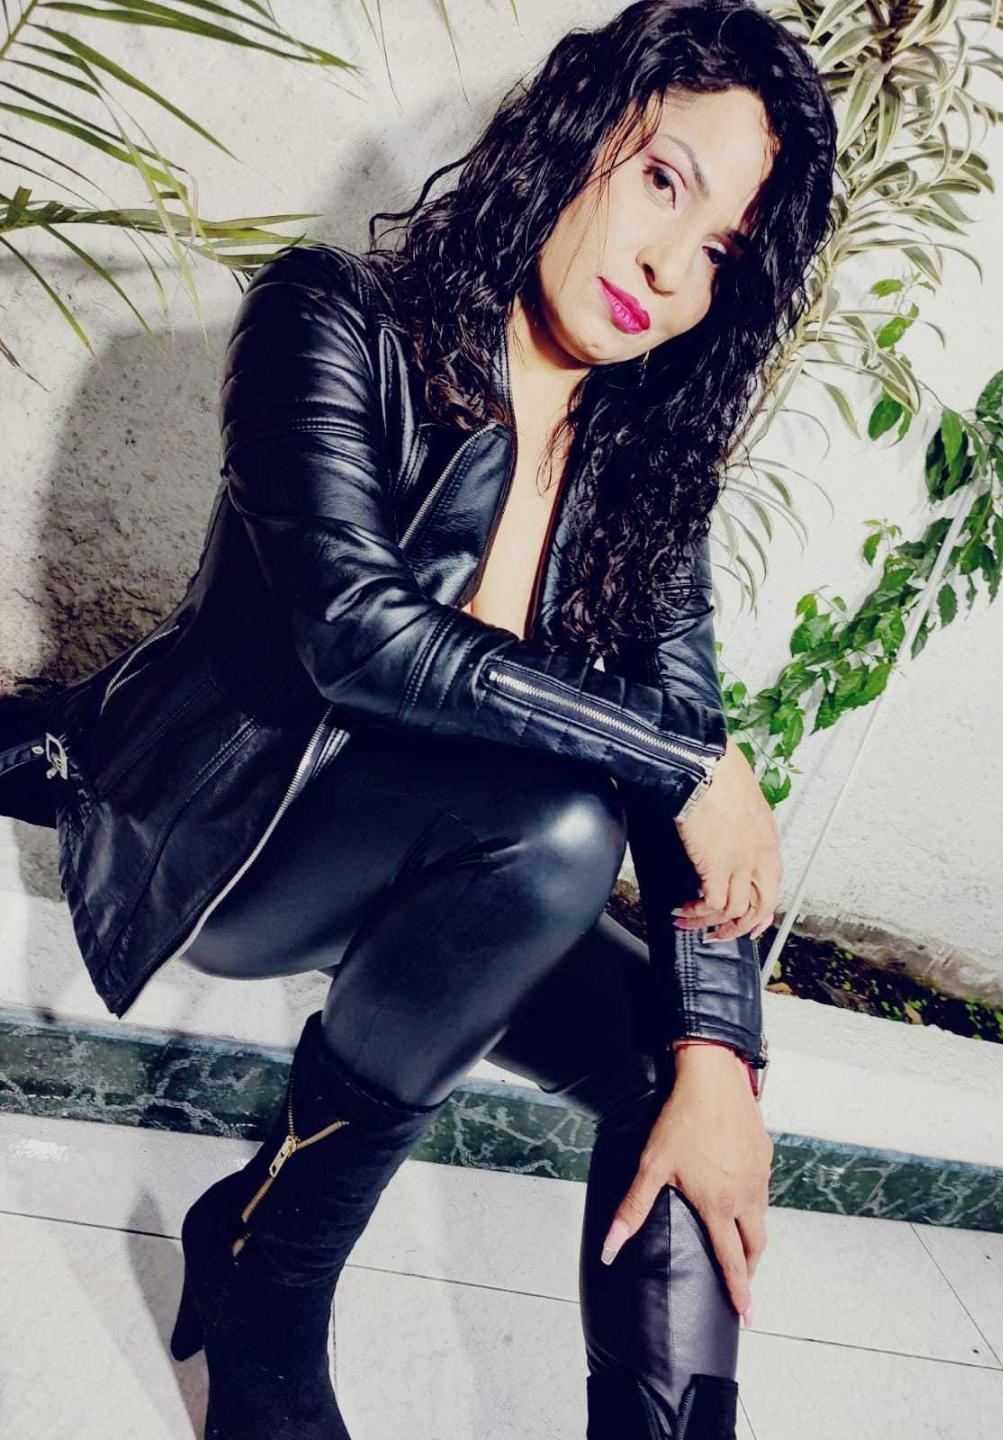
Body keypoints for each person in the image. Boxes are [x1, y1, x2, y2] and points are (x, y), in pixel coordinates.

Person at [0, 2, 837, 1435]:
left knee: (683, 1079)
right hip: (236, 839)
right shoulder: (331, 318)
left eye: (719, 253)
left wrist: (722, 1058)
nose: (669, 265)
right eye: (663, 181)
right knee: (567, 829)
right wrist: (681, 757)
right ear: (578, 137)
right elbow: (358, 634)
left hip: (461, 877)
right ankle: (275, 1277)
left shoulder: (641, 464)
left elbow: (686, 743)